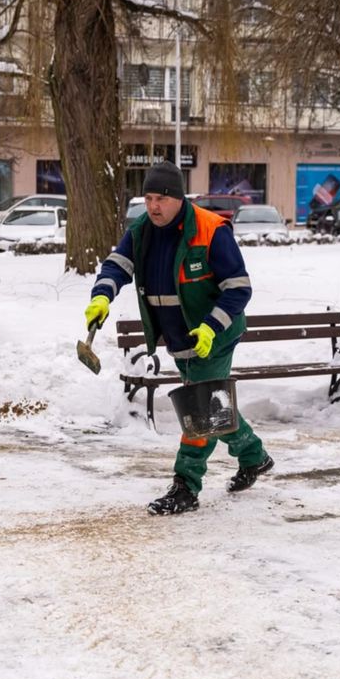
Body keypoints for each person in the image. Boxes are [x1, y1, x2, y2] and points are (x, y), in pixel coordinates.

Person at [84, 161, 273, 516]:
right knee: (212, 406)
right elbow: (117, 265)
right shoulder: (141, 231)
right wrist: (102, 297)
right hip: (179, 337)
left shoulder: (210, 230)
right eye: (148, 198)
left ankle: (185, 486)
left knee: (199, 409)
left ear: (179, 198)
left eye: (161, 199)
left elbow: (239, 288)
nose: (154, 206)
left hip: (215, 336)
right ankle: (254, 456)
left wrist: (210, 327)